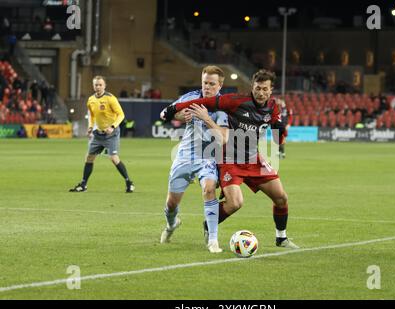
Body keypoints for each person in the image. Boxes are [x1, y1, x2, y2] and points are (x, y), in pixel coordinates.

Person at [162, 69, 298, 249]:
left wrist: (280, 133)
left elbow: (278, 133)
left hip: (253, 158)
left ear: (271, 90)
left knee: (281, 197)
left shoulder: (272, 107)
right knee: (235, 203)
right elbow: (205, 101)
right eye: (258, 88)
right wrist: (174, 108)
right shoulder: (235, 101)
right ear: (252, 87)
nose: (261, 93)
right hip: (229, 159)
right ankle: (209, 224)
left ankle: (281, 238)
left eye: (265, 89)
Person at [159, 66, 229, 253]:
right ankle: (172, 224)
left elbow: (222, 139)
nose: (207, 87)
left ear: (220, 85)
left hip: (208, 157)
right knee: (171, 203)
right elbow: (165, 113)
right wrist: (182, 116)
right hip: (185, 156)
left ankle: (213, 240)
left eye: (211, 84)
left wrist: (206, 118)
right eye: (205, 82)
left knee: (208, 189)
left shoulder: (224, 106)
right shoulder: (191, 98)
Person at [69, 75, 135, 193]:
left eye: (100, 85)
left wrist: (112, 126)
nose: (98, 87)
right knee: (89, 157)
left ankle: (129, 182)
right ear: (93, 86)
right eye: (96, 85)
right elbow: (92, 115)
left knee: (113, 158)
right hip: (97, 134)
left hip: (111, 134)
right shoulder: (91, 100)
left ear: (104, 86)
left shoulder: (110, 98)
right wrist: (90, 127)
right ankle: (83, 184)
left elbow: (121, 115)